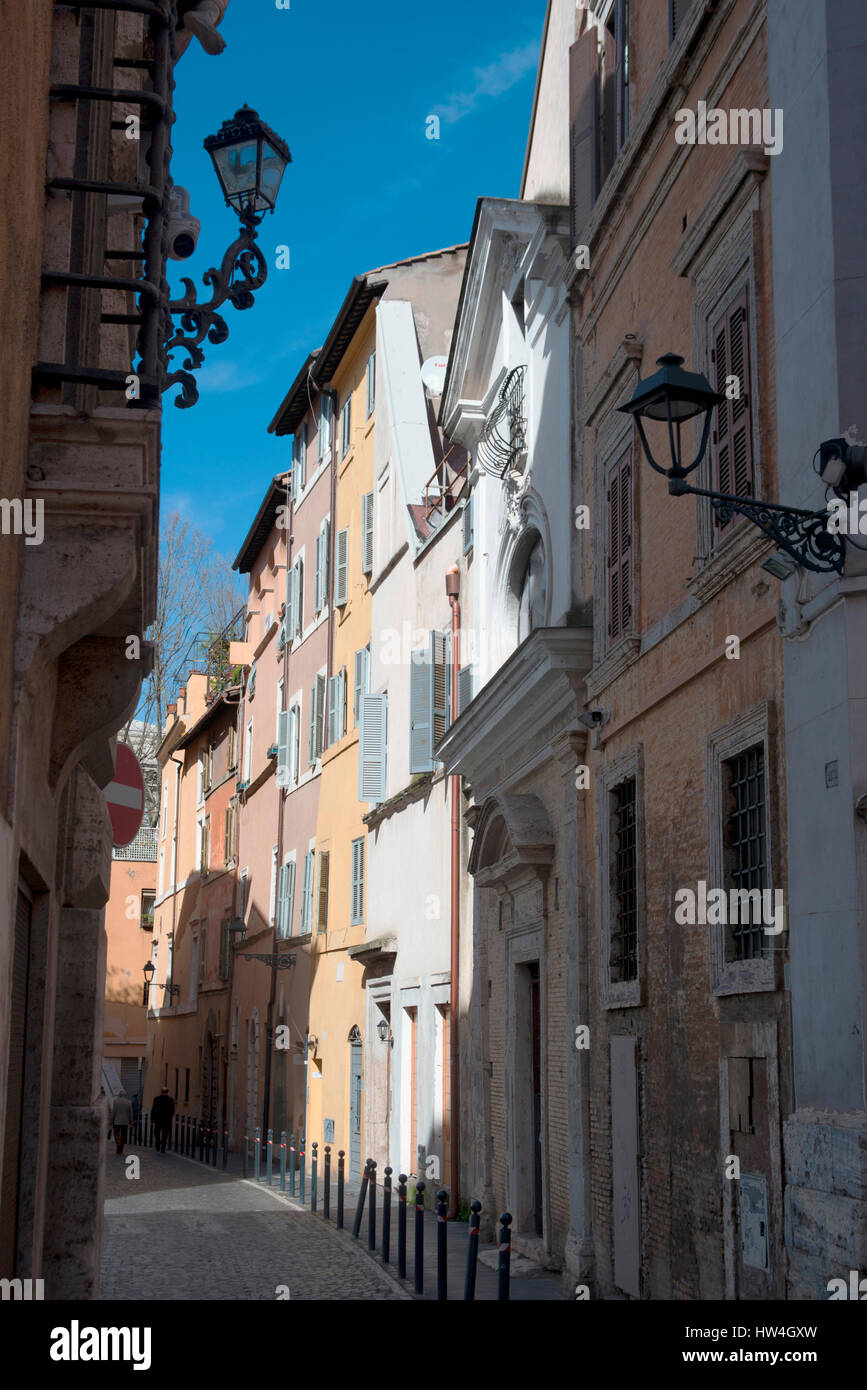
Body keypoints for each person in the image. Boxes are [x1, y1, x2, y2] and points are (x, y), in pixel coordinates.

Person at [151, 1087, 175, 1154]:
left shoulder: (156, 1099)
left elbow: (154, 1109)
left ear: (161, 1092)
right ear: (167, 1092)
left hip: (158, 1120)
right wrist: (169, 1117)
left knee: (156, 1132)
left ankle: (158, 1143)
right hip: (166, 1120)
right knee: (165, 1134)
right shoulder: (170, 1100)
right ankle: (163, 1148)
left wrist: (152, 1119)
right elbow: (172, 1110)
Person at [110, 1090, 133, 1155]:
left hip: (117, 1121)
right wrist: (131, 1122)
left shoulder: (116, 1101)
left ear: (119, 1095)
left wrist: (111, 1121)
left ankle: (119, 1146)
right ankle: (121, 1148)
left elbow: (114, 1112)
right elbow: (131, 1113)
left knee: (116, 1134)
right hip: (125, 1122)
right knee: (123, 1135)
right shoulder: (129, 1102)